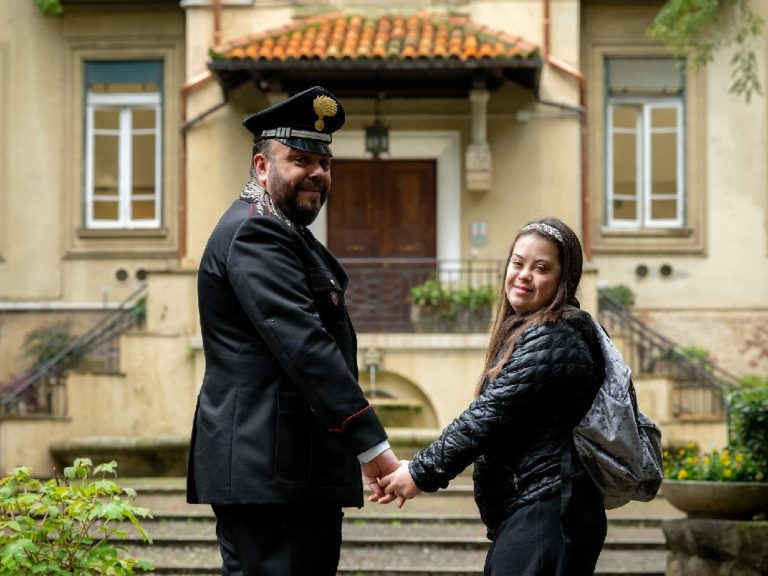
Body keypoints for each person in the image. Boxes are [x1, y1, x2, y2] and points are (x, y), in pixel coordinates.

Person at [186, 86, 399, 576]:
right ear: (262, 167)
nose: (317, 173)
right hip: (272, 471)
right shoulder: (256, 232)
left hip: (284, 469)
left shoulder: (281, 230)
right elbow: (304, 345)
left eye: (324, 163)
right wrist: (371, 445)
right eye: (300, 159)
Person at [377, 217, 608, 576]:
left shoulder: (554, 337)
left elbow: (486, 416)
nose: (524, 275)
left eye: (541, 267)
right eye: (517, 263)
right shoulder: (535, 330)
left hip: (550, 508)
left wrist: (420, 472)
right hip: (537, 505)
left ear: (564, 278)